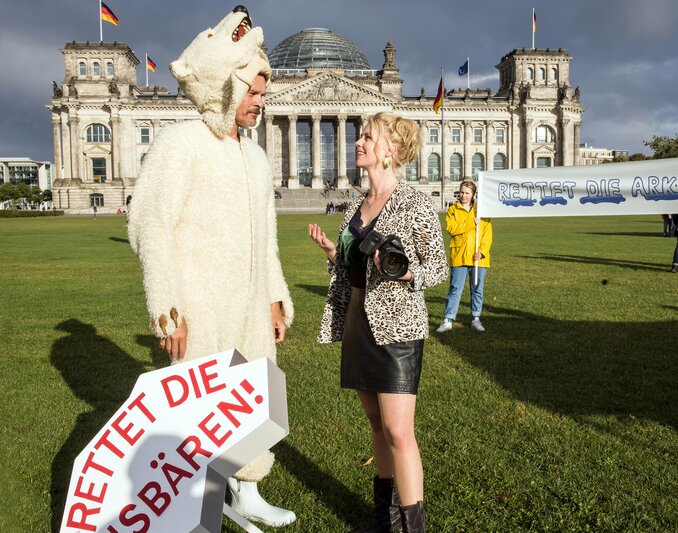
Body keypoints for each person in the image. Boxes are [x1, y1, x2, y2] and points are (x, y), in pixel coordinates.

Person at [127, 8, 296, 528]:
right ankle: (196, 503)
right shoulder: (181, 144)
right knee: (200, 412)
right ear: (224, 87)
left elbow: (264, 238)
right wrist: (167, 305)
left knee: (254, 401)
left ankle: (247, 490)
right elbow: (149, 226)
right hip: (199, 306)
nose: (260, 105)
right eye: (253, 93)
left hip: (248, 306)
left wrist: (274, 294)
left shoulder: (257, 158)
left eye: (264, 96)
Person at [308, 112, 448, 533]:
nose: (358, 142)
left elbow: (438, 266)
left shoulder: (414, 202)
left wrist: (405, 272)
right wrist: (336, 253)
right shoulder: (356, 204)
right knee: (375, 424)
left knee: (399, 431)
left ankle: (413, 527)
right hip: (357, 323)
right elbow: (354, 269)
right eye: (360, 136)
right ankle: (384, 520)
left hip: (396, 330)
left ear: (390, 150)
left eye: (367, 137)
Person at [436, 180, 493, 332]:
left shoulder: (482, 211)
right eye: (461, 192)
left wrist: (481, 252)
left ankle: (476, 318)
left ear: (473, 194)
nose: (463, 195)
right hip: (459, 255)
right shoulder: (452, 209)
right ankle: (448, 320)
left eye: (467, 193)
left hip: (478, 258)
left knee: (477, 289)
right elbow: (452, 229)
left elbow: (487, 235)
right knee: (455, 288)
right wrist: (472, 223)